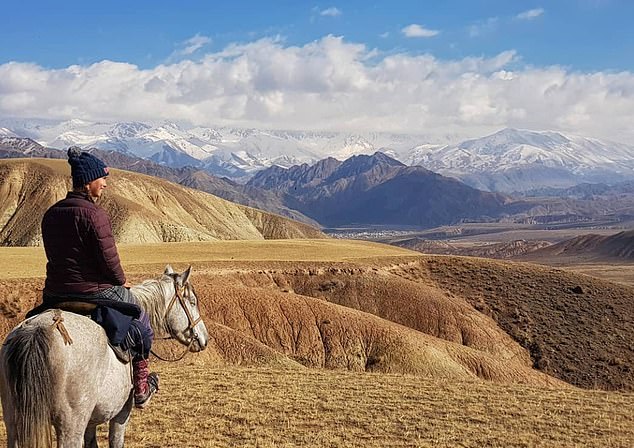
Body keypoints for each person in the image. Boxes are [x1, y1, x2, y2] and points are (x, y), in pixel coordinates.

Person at [35, 146, 159, 409]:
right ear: (89, 181)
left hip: (56, 292)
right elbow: (109, 259)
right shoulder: (95, 215)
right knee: (141, 319)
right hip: (92, 291)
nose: (104, 184)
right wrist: (120, 280)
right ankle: (141, 386)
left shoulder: (50, 214)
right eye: (102, 179)